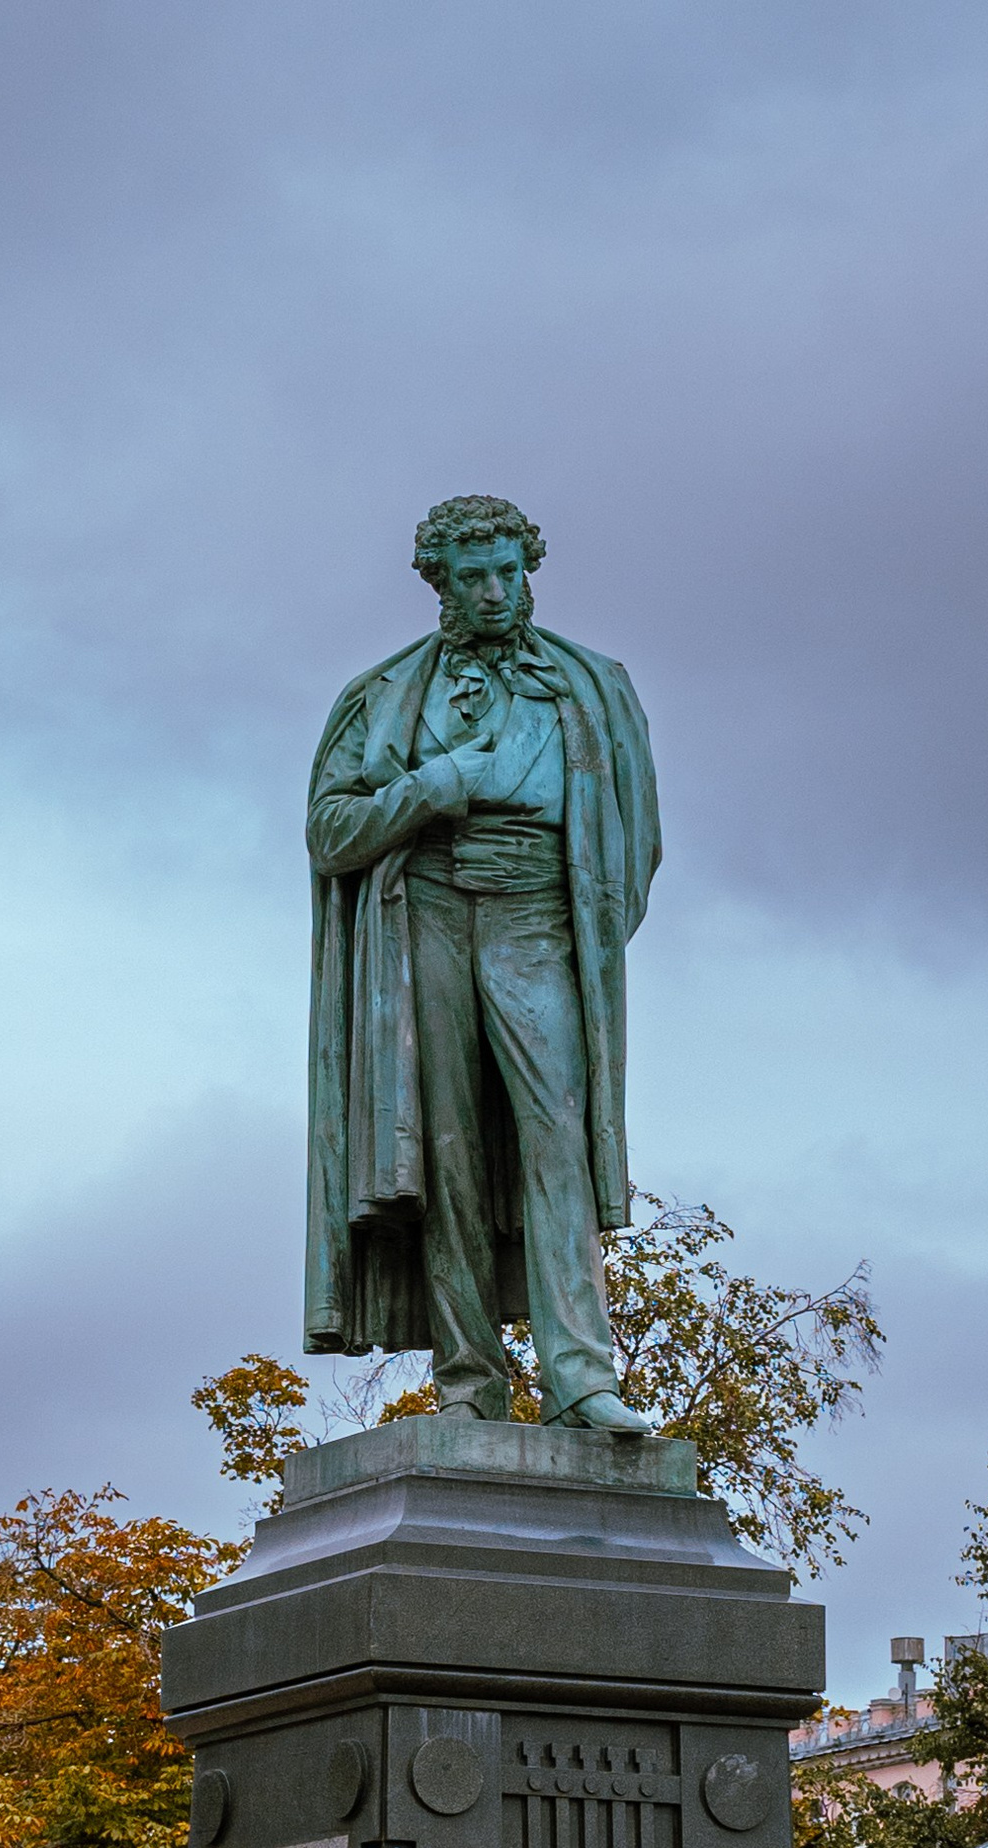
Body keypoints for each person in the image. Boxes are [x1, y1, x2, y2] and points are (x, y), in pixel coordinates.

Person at [305, 493, 660, 1429]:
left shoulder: (594, 686)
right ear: (442, 585)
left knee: (556, 1134)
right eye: (475, 577)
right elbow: (329, 832)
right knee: (447, 1148)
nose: (497, 591)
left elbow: (636, 844)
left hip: (538, 912)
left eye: (510, 571)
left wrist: (581, 936)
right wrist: (434, 787)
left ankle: (582, 1379)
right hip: (423, 911)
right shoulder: (384, 694)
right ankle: (469, 1381)